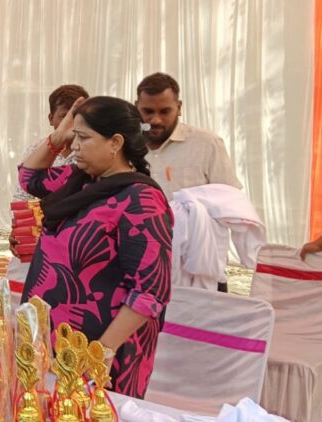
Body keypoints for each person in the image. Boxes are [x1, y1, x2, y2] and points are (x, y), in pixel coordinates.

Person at [19, 96, 172, 399]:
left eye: (83, 138)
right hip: (54, 341)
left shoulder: (141, 200)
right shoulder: (80, 181)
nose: (74, 146)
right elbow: (29, 177)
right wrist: (57, 137)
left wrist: (101, 351)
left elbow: (149, 292)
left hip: (100, 351)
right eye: (74, 137)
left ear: (115, 142)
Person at [135, 72, 242, 292]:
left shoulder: (206, 143)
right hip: (144, 265)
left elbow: (230, 202)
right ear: (136, 107)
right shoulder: (124, 146)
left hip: (200, 267)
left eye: (165, 111)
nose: (156, 120)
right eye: (148, 111)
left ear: (179, 107)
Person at [12, 84, 89, 201]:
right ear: (51, 118)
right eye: (64, 116)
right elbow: (22, 197)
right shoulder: (35, 150)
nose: (71, 123)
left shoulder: (93, 150)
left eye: (77, 116)